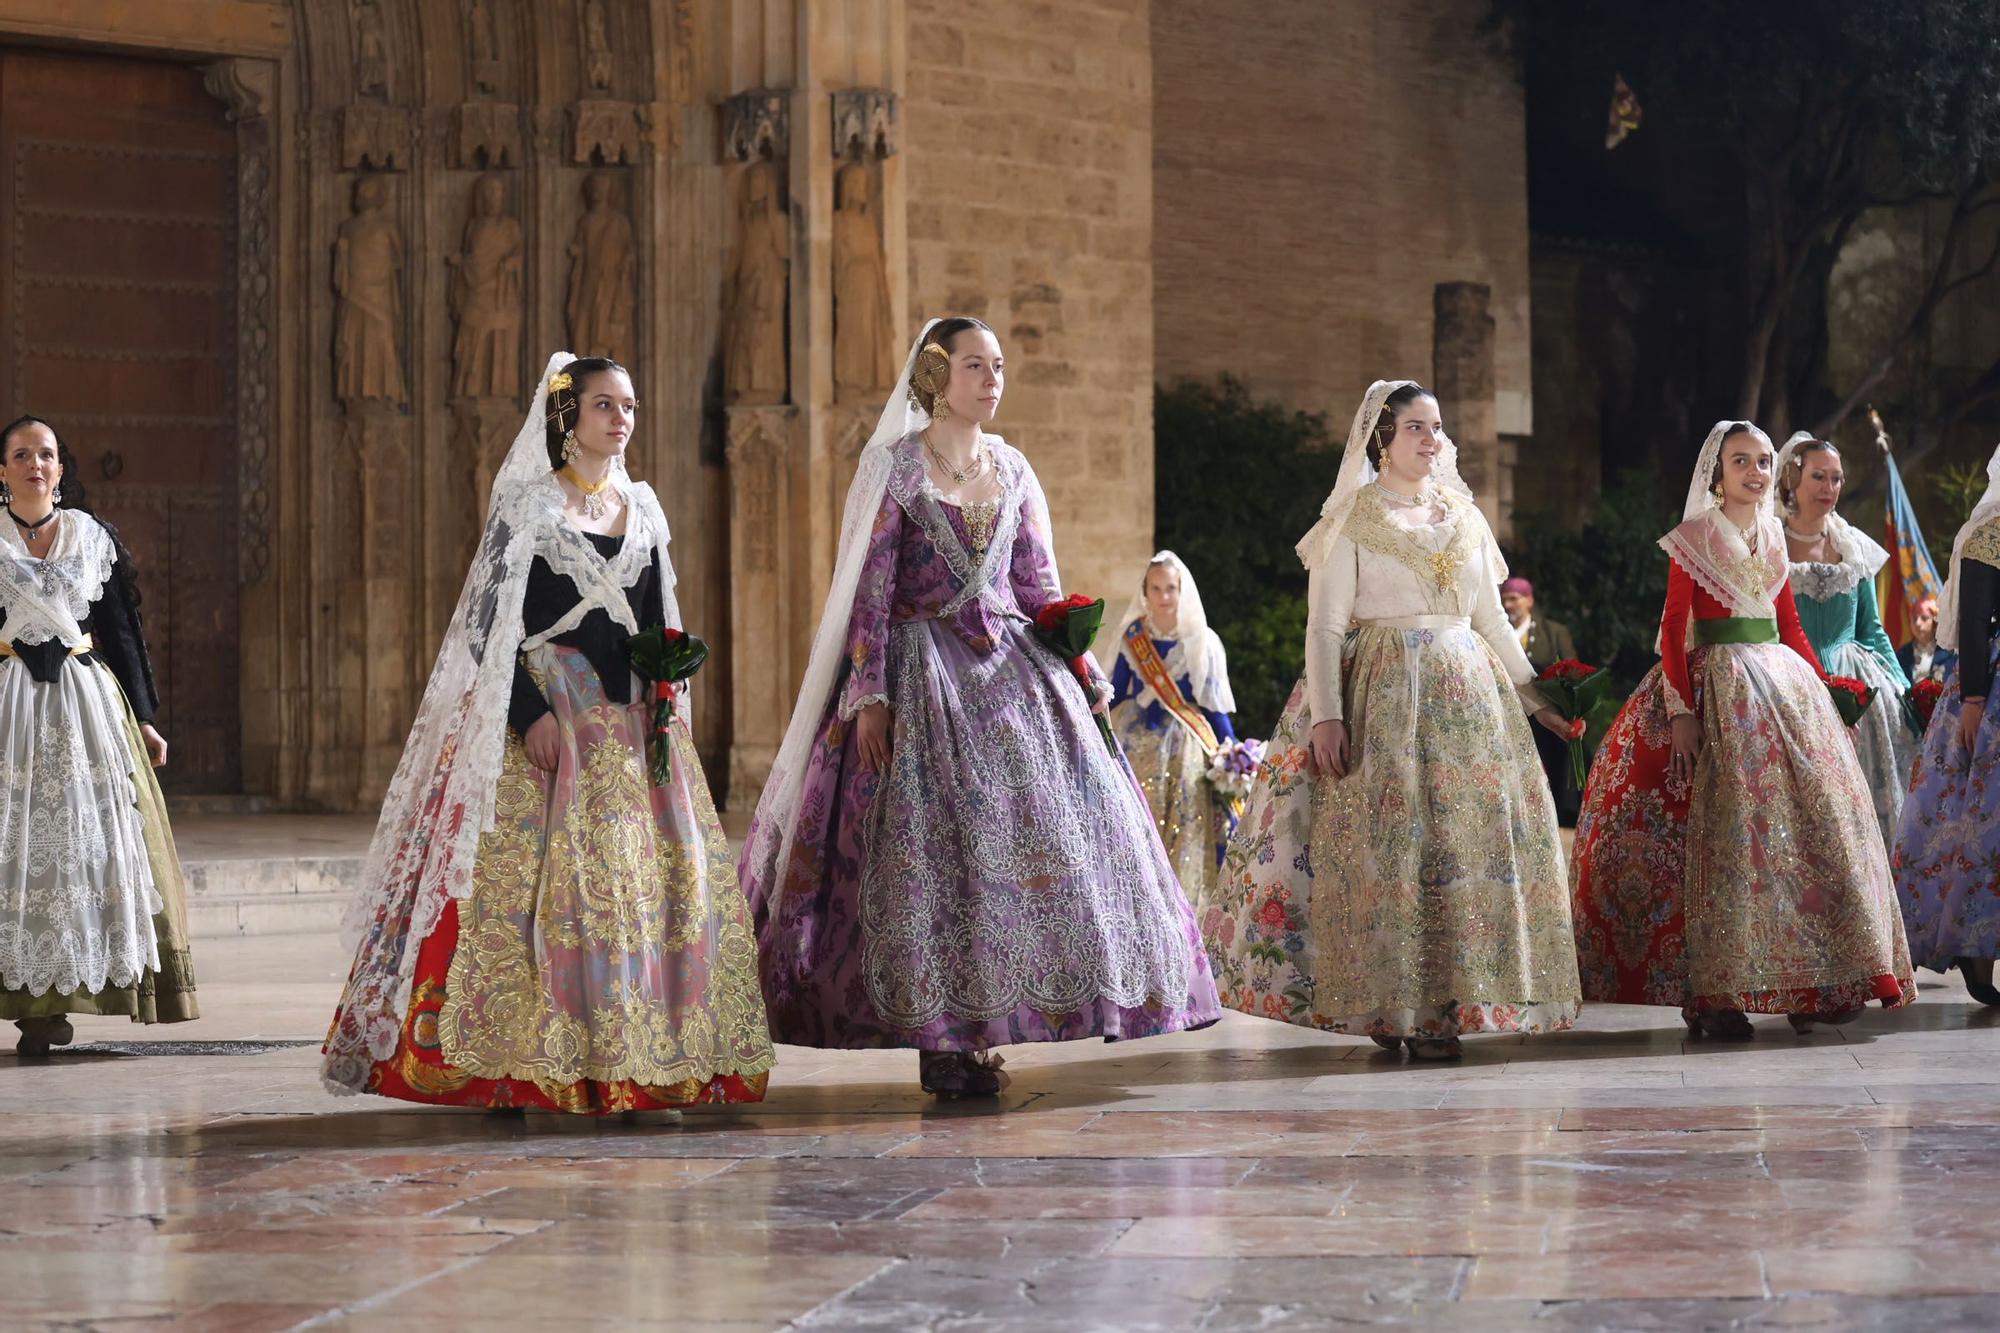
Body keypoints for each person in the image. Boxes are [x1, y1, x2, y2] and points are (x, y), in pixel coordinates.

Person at [739, 318, 1222, 1098]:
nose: (993, 378)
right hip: (919, 675)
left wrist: (1083, 670)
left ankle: (1002, 1023)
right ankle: (942, 1039)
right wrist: (868, 694)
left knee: (1024, 860)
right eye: (976, 365)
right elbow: (871, 590)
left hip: (1009, 677)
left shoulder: (1016, 467)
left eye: (999, 365)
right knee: (936, 866)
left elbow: (1037, 583)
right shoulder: (897, 468)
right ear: (938, 376)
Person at [321, 354, 774, 1112]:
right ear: (569, 416)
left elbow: (659, 615)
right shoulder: (527, 509)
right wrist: (530, 716)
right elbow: (484, 632)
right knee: (535, 896)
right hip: (549, 716)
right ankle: (526, 1068)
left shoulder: (646, 510)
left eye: (629, 405)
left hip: (633, 727)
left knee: (656, 886)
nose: (621, 418)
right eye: (605, 405)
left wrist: (667, 684)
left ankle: (640, 1063)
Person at [1205, 380, 1580, 1060]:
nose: (1431, 439)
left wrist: (1542, 703)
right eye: (1415, 427)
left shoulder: (1465, 517)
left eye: (1436, 427)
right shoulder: (1351, 520)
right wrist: (1326, 716)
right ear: (1382, 438)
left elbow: (1492, 621)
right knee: (1393, 857)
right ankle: (1393, 1003)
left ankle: (1454, 999)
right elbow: (1324, 628)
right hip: (1386, 703)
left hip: (1470, 708)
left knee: (1461, 855)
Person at [1570, 422, 1914, 1039]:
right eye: (1741, 462)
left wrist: (1827, 696)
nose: (1755, 473)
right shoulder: (1693, 538)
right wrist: (1680, 712)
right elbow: (1675, 628)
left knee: (1805, 834)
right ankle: (1713, 994)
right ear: (1718, 472)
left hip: (1782, 687)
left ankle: (1816, 977)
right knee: (1725, 839)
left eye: (1761, 462)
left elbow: (1788, 623)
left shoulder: (1774, 533)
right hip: (1718, 690)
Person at [0, 416, 196, 1055]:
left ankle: (60, 1000)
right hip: (8, 707)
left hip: (84, 710)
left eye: (47, 455)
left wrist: (143, 715)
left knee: (81, 852)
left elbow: (121, 631)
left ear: (61, 469)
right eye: (22, 454)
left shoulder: (91, 537)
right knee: (16, 849)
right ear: (2, 470)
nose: (36, 464)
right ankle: (24, 998)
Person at [1893, 443, 2000, 1007]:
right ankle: (1976, 960)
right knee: (1979, 825)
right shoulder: (1988, 533)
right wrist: (1976, 701)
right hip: (1992, 693)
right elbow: (1978, 629)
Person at [1774, 432, 1913, 848]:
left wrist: (1904, 689)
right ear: (1792, 480)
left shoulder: (1852, 547)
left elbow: (1871, 630)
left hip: (1854, 685)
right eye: (1819, 476)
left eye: (1837, 479)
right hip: (1790, 679)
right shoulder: (1770, 544)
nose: (1829, 488)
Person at [1108, 551, 1238, 913]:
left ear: (1182, 591)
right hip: (1135, 742)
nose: (1164, 596)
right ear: (1145, 593)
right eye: (1156, 588)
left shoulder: (1202, 641)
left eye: (1171, 588)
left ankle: (1179, 910)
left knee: (1186, 826)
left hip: (1184, 747)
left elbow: (1211, 705)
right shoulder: (1132, 637)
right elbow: (1117, 690)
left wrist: (1232, 751)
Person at [1501, 575, 1581, 825]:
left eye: (1514, 599)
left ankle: (1563, 809)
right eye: (1505, 600)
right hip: (1508, 710)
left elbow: (1571, 669)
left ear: (1529, 601)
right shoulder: (1499, 633)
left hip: (1544, 707)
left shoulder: (1553, 631)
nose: (1509, 605)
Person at [1897, 594, 1956, 685]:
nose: (1918, 623)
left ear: (1935, 622)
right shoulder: (1902, 654)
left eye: (1924, 618)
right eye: (1914, 618)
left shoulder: (1948, 653)